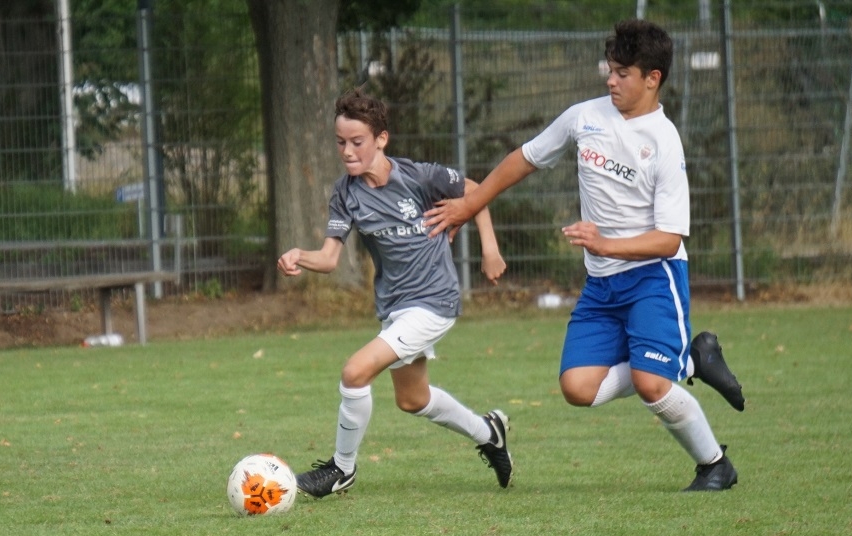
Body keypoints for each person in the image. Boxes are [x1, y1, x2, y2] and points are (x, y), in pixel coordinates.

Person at [424, 19, 743, 491]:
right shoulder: (585, 116)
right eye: (609, 70)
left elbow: (670, 239)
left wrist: (605, 243)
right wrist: (472, 203)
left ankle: (715, 464)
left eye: (622, 73)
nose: (610, 81)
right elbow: (526, 157)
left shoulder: (664, 141)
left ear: (653, 78)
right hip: (602, 284)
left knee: (652, 384)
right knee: (577, 389)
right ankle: (691, 360)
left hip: (654, 278)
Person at [277, 89, 513, 498]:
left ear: (381, 139)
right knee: (413, 398)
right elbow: (330, 257)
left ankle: (341, 470)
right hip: (396, 307)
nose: (347, 152)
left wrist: (490, 250)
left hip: (435, 302)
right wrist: (300, 256)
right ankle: (489, 433)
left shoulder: (419, 177)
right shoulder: (345, 193)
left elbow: (476, 189)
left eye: (357, 142)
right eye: (340, 143)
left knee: (355, 371)